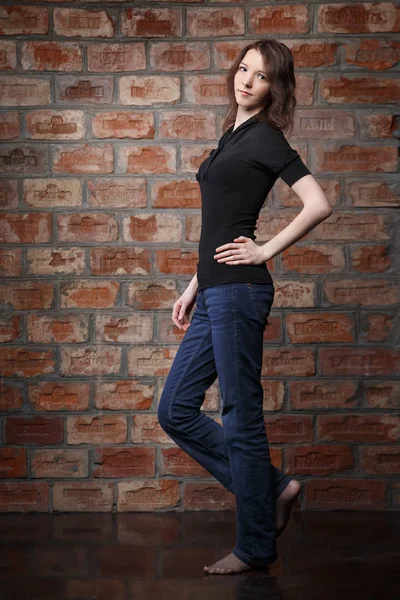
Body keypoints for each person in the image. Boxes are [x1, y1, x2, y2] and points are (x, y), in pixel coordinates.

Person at [158, 39, 332, 575]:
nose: (246, 80)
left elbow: (319, 203)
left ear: (273, 88)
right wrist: (193, 285)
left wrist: (264, 250)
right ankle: (275, 488)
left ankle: (255, 546)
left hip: (240, 292)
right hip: (214, 291)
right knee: (175, 409)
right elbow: (222, 224)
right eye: (243, 68)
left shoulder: (266, 137)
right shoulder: (232, 134)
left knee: (240, 417)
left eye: (260, 76)